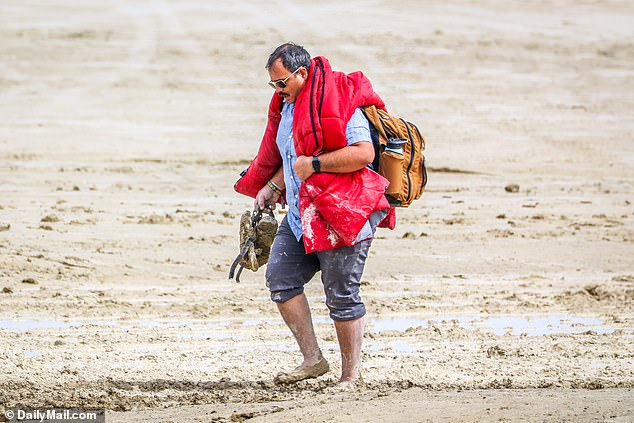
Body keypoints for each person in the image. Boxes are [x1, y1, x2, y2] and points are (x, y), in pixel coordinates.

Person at [234, 42, 395, 385]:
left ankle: (350, 377)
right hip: (300, 216)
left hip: (342, 214)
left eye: (282, 83)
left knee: (341, 294)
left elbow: (363, 153)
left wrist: (317, 164)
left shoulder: (339, 101)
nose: (278, 92)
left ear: (302, 74)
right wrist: (273, 186)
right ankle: (313, 360)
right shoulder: (288, 107)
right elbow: (293, 157)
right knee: (280, 278)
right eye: (273, 85)